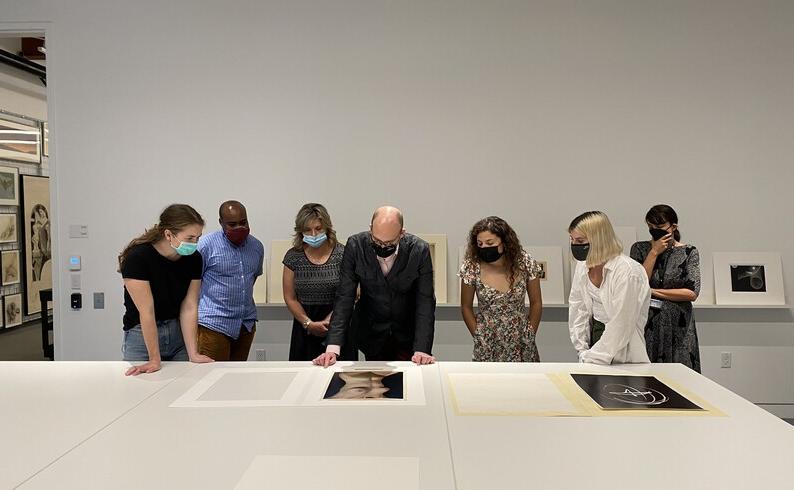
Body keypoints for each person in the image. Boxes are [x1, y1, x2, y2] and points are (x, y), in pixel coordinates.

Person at [313, 206, 436, 366]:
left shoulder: (419, 250)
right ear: (370, 229)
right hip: (370, 332)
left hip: (408, 334)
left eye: (390, 243)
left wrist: (422, 349)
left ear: (402, 233)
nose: (382, 247)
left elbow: (425, 301)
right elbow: (345, 297)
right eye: (377, 241)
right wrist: (332, 348)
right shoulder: (356, 246)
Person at [118, 204, 214, 376]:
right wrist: (154, 358)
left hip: (178, 333)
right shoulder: (137, 258)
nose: (195, 244)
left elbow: (190, 305)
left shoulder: (194, 259)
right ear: (169, 234)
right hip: (142, 336)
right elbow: (147, 311)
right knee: (142, 392)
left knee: (182, 386)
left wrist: (193, 353)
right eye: (190, 238)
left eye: (198, 238)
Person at [568, 211, 651, 364]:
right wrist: (582, 349)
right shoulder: (582, 266)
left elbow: (622, 323)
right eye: (572, 240)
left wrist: (593, 356)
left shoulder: (628, 272)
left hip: (624, 350)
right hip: (594, 344)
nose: (574, 246)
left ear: (598, 239)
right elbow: (578, 307)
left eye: (580, 241)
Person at [459, 216, 543, 362]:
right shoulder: (471, 267)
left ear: (504, 242)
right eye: (480, 244)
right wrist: (478, 335)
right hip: (487, 340)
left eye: (490, 242)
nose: (484, 247)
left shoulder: (525, 263)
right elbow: (465, 306)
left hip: (521, 339)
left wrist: (530, 332)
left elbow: (536, 302)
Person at [630, 204, 701, 372]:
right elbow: (637, 283)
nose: (655, 230)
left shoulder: (689, 252)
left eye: (660, 227)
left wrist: (652, 291)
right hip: (647, 322)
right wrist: (654, 252)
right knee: (646, 374)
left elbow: (691, 293)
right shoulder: (640, 249)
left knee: (681, 374)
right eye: (651, 227)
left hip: (679, 324)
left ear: (673, 227)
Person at [283, 203, 356, 361]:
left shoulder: (343, 254)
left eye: (318, 228)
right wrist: (308, 323)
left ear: (327, 228)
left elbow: (354, 293)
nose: (314, 234)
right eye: (308, 230)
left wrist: (331, 320)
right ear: (300, 231)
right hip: (305, 328)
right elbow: (290, 297)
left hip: (339, 323)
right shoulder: (293, 257)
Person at [196, 200, 264, 361]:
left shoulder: (256, 247)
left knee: (236, 379)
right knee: (210, 379)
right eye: (232, 224)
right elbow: (193, 285)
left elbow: (250, 280)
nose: (239, 228)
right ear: (221, 223)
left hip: (245, 325)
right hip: (213, 325)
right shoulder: (205, 246)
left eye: (243, 222)